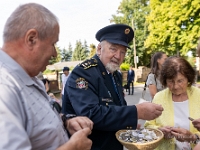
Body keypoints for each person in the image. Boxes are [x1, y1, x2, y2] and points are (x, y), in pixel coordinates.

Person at [0, 3, 93, 150]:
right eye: (53, 44)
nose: (55, 53)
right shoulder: (4, 87)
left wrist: (66, 121)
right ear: (31, 39)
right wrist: (73, 147)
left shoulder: (28, 76)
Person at [62, 24, 164, 150]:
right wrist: (137, 111)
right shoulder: (84, 72)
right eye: (113, 49)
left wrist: (129, 124)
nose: (118, 56)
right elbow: (90, 114)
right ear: (99, 49)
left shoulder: (114, 74)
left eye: (123, 52)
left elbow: (117, 107)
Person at [144, 56, 200, 150]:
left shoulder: (198, 95)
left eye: (180, 81)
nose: (175, 86)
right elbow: (148, 126)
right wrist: (159, 131)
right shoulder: (159, 97)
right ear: (165, 80)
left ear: (188, 78)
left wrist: (193, 137)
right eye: (171, 81)